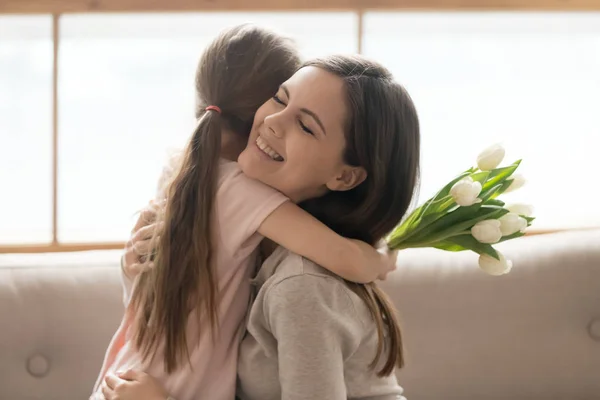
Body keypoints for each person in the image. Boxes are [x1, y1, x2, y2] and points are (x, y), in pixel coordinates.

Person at [91, 26, 397, 400]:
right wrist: (381, 258)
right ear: (253, 110)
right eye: (279, 98)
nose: (273, 121)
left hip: (125, 374)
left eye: (304, 124)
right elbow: (348, 258)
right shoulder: (241, 191)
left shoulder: (180, 169)